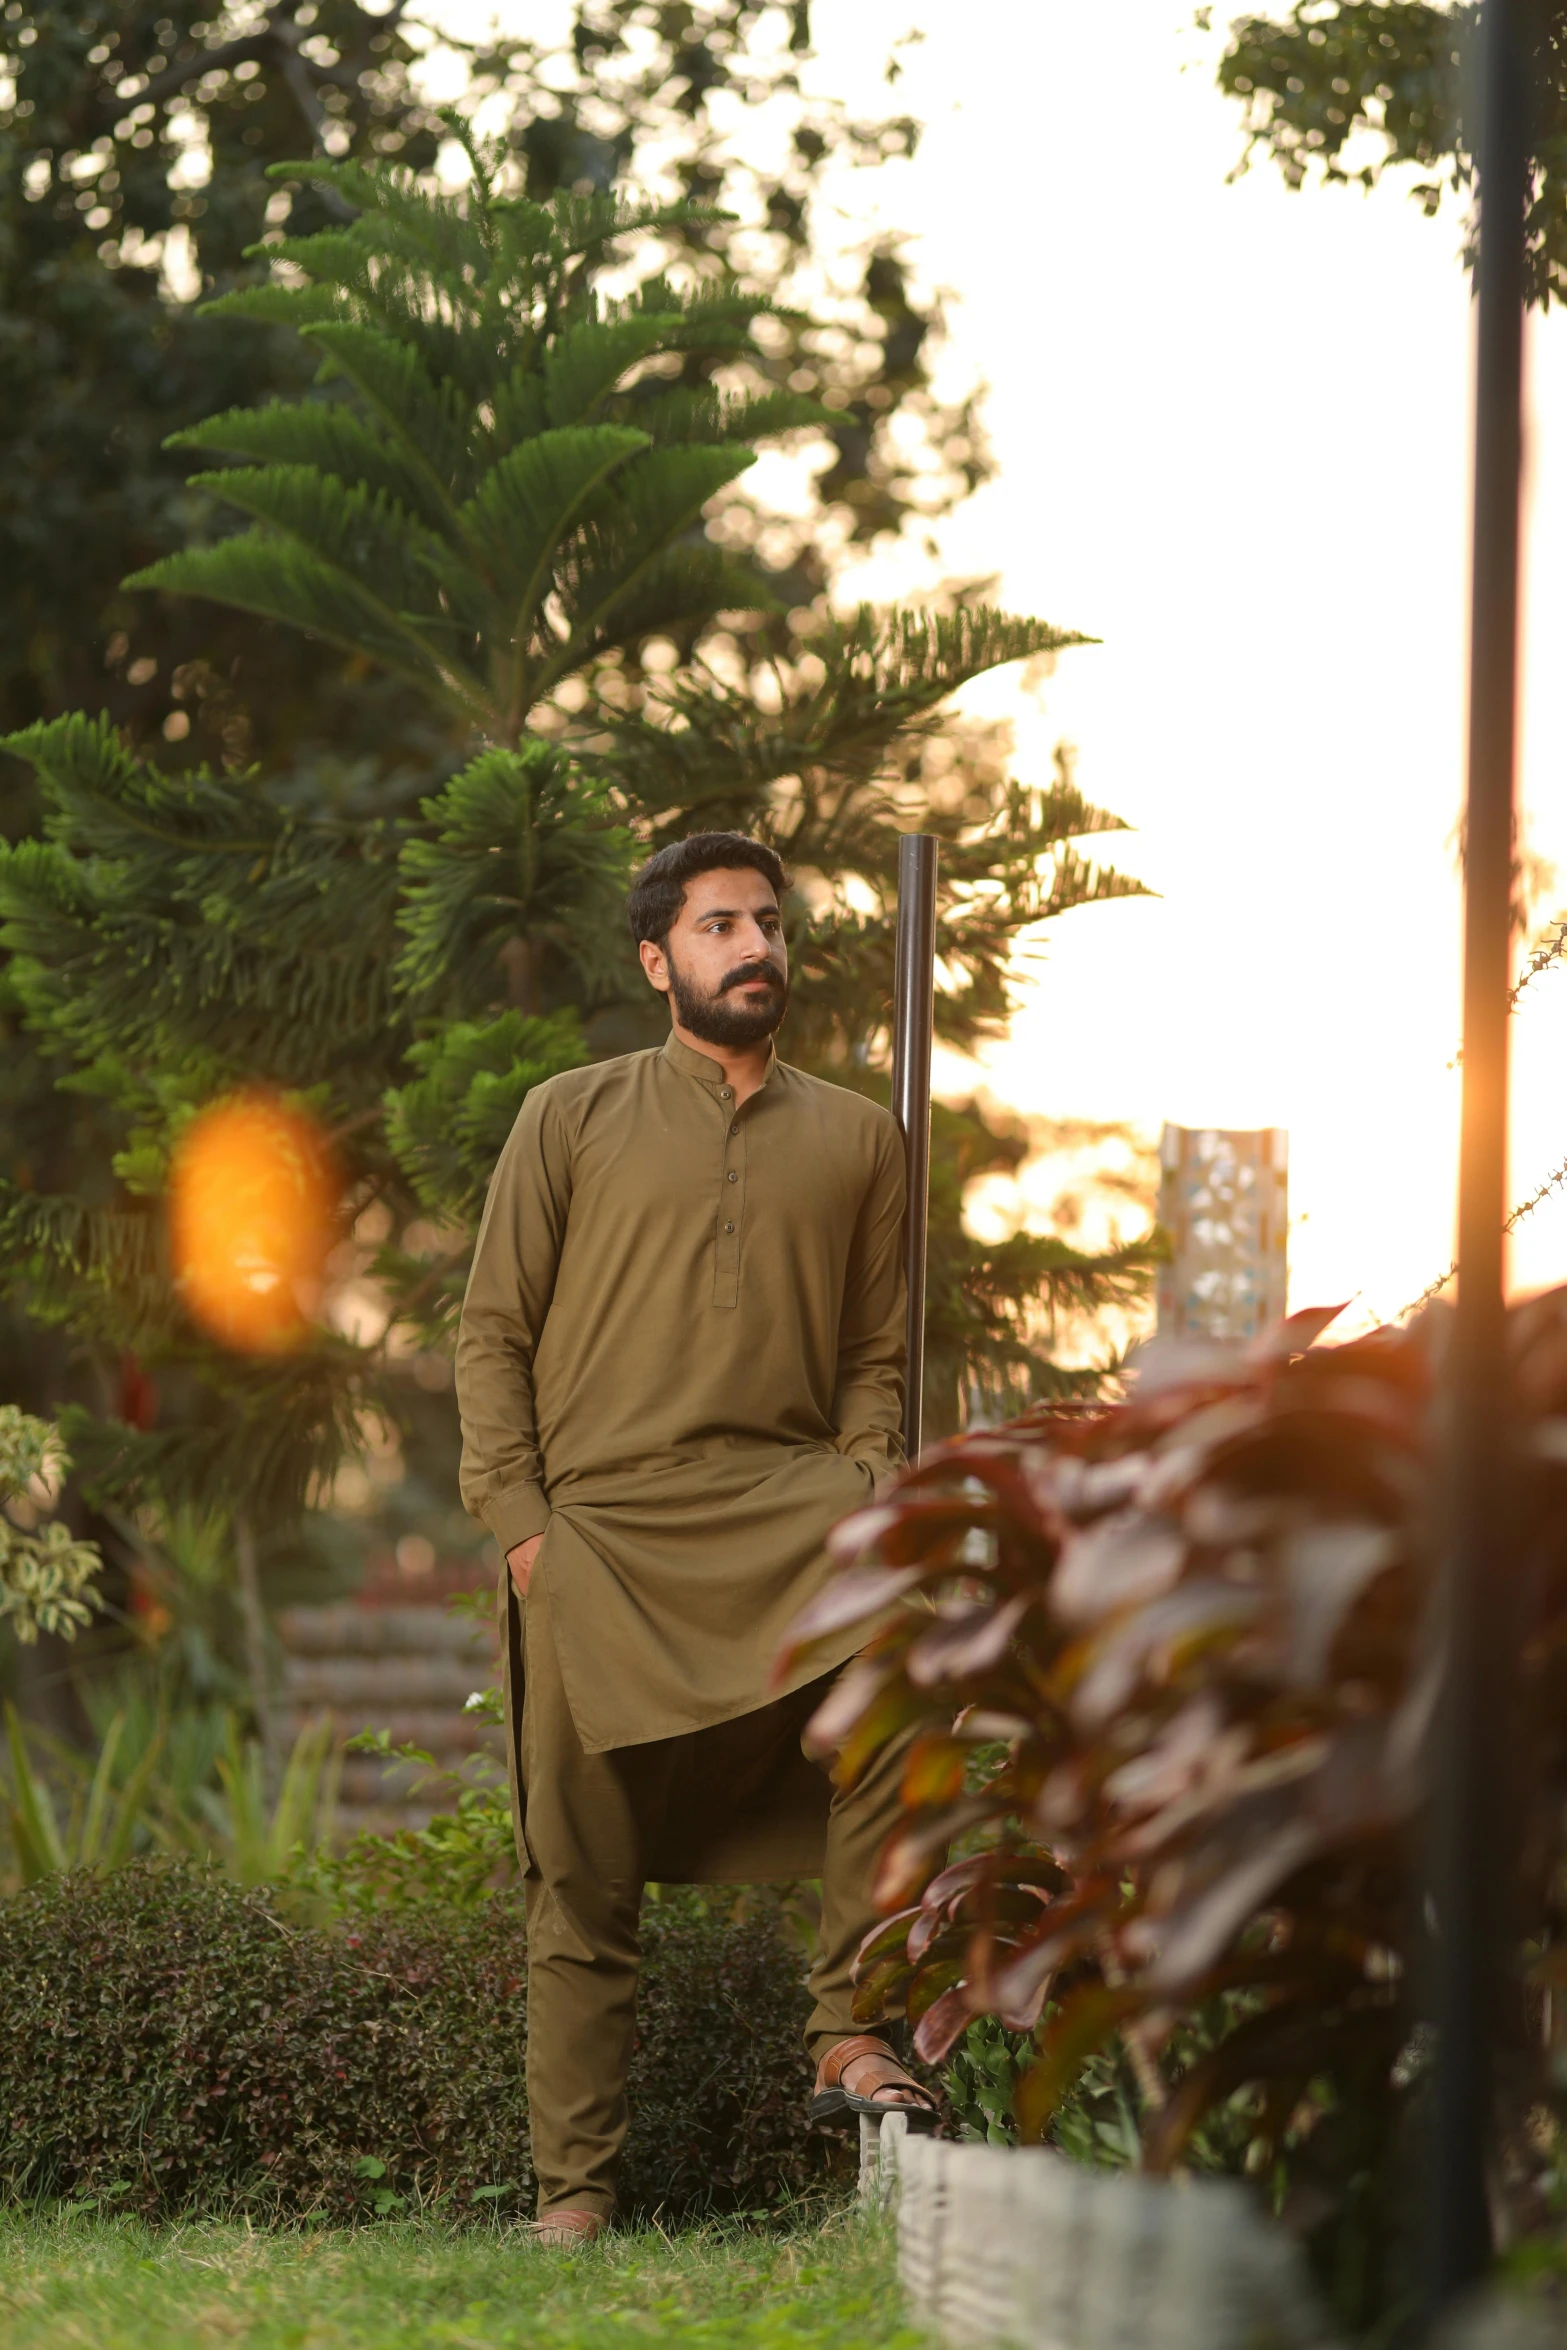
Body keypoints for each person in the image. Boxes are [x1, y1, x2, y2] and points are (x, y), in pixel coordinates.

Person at [456, 830, 939, 2247]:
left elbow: (873, 1353)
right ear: (659, 960)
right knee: (581, 1871)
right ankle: (575, 2196)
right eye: (721, 923)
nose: (756, 944)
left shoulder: (859, 1136)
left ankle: (847, 2029)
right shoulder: (570, 1115)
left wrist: (864, 1488)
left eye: (769, 922)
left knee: (903, 1693)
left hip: (793, 1518)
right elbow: (491, 1334)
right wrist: (525, 1530)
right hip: (599, 1533)